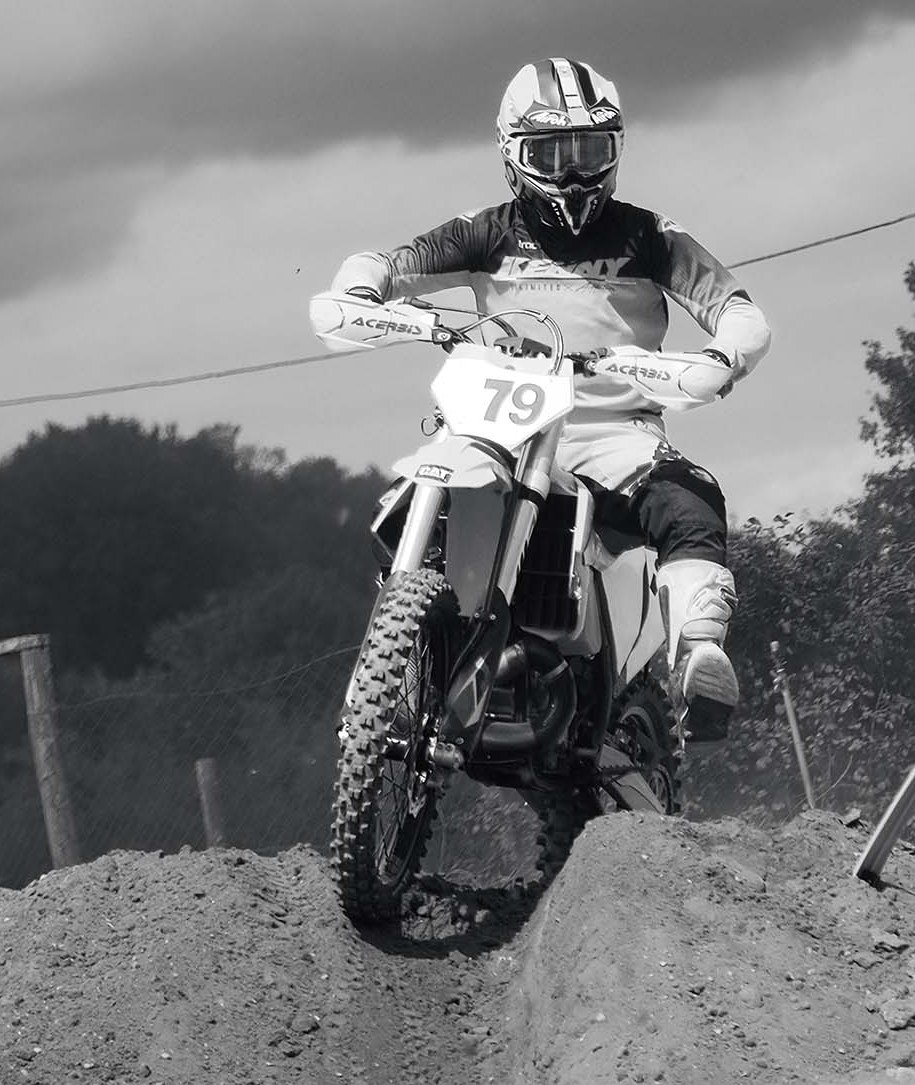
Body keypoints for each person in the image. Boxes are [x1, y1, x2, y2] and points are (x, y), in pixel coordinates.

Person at [310, 56, 772, 741]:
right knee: (406, 500)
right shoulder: (483, 231)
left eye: (590, 151)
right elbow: (385, 263)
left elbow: (740, 311)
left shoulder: (651, 237)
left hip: (613, 429)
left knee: (690, 499)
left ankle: (696, 655)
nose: (574, 174)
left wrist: (717, 358)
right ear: (512, 152)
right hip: (498, 419)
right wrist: (360, 291)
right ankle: (403, 672)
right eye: (552, 153)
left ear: (615, 150)